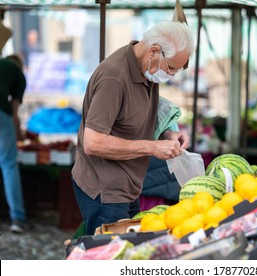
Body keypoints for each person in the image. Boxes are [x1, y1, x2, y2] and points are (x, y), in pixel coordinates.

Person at [71, 21, 194, 235]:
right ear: (154, 51)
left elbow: (132, 118)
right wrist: (152, 147)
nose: (172, 75)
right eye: (172, 68)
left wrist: (168, 133)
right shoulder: (114, 78)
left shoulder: (147, 68)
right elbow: (93, 142)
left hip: (129, 186)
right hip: (105, 191)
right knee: (110, 259)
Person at [0, 54, 28, 233]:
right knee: (9, 165)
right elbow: (14, 111)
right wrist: (18, 135)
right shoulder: (18, 73)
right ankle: (18, 218)